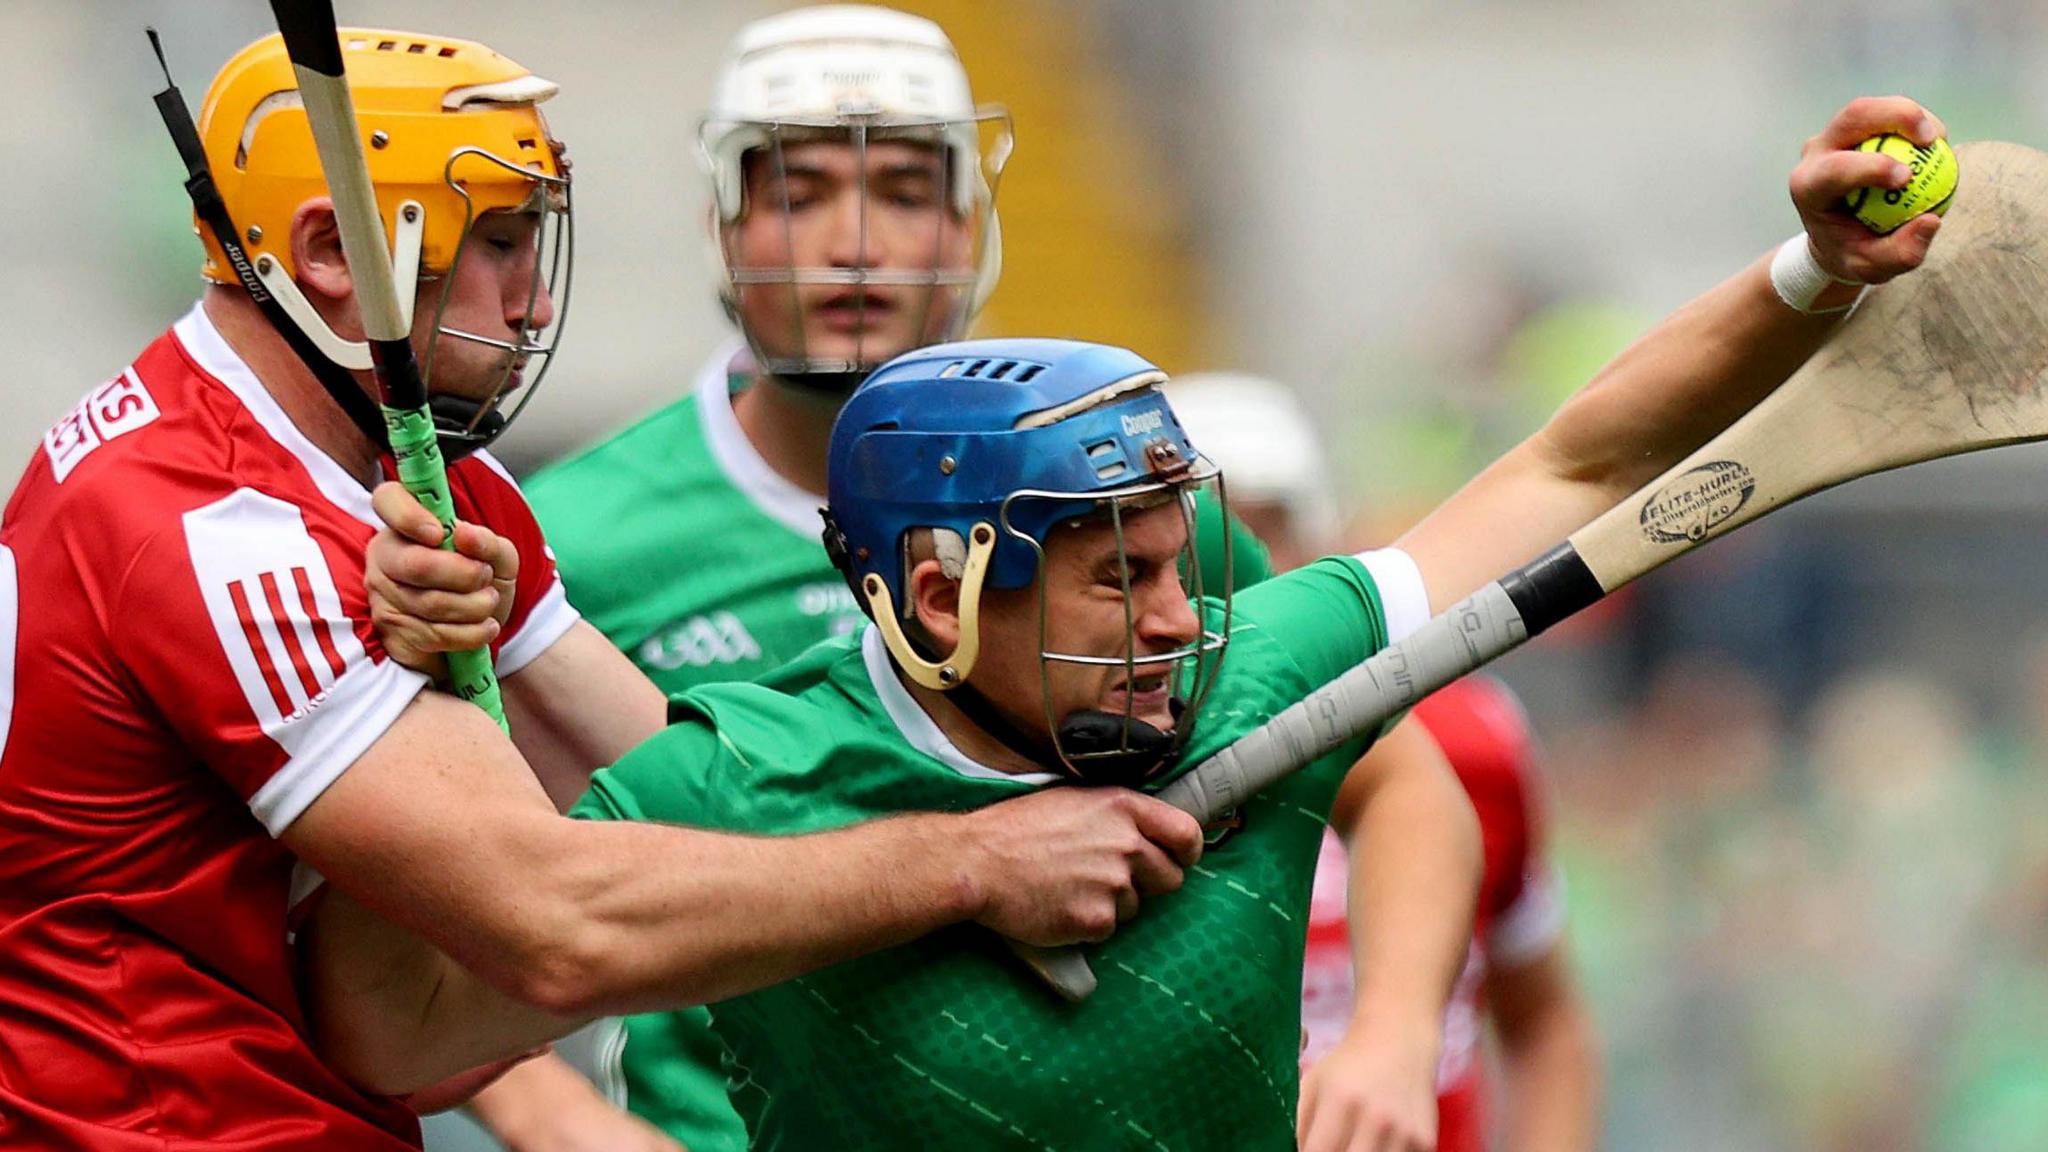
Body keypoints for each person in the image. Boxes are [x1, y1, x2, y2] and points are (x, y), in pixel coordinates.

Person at [0, 28, 1208, 1150]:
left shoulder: (417, 477)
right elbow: (549, 922)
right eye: (500, 242)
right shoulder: (220, 527)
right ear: (328, 254)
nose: (530, 301)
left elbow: (671, 782)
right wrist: (973, 866)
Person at [1171, 374, 1602, 1151]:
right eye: (1192, 553)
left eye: (1264, 535)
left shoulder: (1470, 737)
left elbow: (1544, 1025)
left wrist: (1396, 1036)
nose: (1233, 578)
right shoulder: (1085, 753)